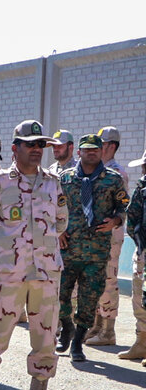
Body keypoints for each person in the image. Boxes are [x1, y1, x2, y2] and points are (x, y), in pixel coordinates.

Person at [0, 120, 69, 390]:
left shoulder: (53, 182)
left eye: (41, 144)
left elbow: (62, 221)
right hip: (10, 275)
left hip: (47, 274)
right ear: (15, 148)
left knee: (45, 337)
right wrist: (8, 251)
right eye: (31, 144)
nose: (37, 150)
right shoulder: (0, 182)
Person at [57, 133, 128, 361]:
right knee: (59, 295)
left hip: (96, 251)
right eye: (86, 149)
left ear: (101, 152)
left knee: (89, 298)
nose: (91, 153)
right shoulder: (64, 179)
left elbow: (124, 205)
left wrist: (116, 221)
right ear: (78, 152)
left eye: (95, 149)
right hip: (67, 249)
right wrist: (57, 231)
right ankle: (66, 326)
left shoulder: (113, 179)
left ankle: (78, 341)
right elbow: (52, 208)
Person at [87, 126, 131, 346]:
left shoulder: (118, 174)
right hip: (97, 236)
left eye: (101, 144)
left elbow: (122, 206)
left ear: (111, 146)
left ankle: (108, 331)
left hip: (111, 235)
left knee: (109, 280)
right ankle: (96, 325)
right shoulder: (97, 171)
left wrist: (113, 221)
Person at [120, 148, 146, 362]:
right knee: (139, 298)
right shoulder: (143, 186)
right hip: (143, 251)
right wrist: (139, 241)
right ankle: (142, 343)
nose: (144, 170)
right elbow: (132, 214)